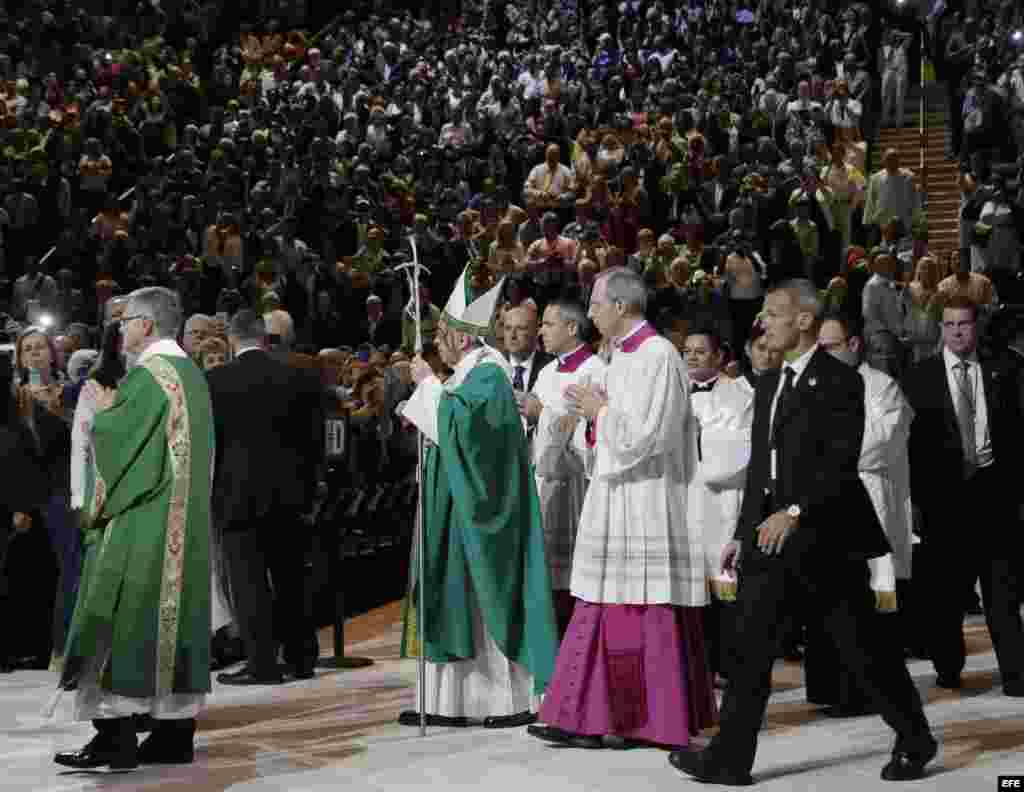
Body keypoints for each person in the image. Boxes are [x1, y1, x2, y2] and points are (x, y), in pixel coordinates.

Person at [668, 279, 936, 785]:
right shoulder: (768, 382)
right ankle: (728, 760)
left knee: (865, 653)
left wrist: (792, 512)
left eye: (773, 312)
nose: (762, 321)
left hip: (826, 541)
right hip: (771, 544)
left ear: (805, 322)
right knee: (749, 649)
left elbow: (837, 464)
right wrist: (742, 533)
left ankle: (915, 737)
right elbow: (759, 471)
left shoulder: (840, 381)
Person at [529, 268, 715, 750]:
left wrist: (599, 414)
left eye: (594, 304)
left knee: (639, 605)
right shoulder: (616, 359)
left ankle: (643, 720)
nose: (589, 313)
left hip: (647, 500)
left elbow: (650, 435)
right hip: (613, 497)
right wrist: (584, 422)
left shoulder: (658, 356)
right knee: (600, 600)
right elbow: (606, 440)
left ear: (621, 306)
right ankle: (590, 715)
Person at [55, 287, 214, 770]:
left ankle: (115, 738)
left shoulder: (151, 376)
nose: (120, 331)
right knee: (173, 623)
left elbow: (125, 449)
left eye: (125, 322)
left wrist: (103, 418)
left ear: (146, 324)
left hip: (143, 522)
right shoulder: (190, 374)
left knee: (116, 615)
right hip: (181, 525)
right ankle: (172, 736)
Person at [398, 264, 558, 728]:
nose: (438, 340)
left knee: (480, 597)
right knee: (453, 598)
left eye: (444, 333)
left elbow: (467, 432)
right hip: (454, 509)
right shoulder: (467, 374)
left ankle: (504, 702)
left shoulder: (487, 374)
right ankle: (449, 703)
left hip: (481, 514)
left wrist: (427, 385)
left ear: (465, 338)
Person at [901, 295, 1024, 697]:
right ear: (941, 329)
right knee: (947, 597)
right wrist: (915, 502)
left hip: (997, 495)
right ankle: (949, 668)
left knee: (1002, 594)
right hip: (945, 501)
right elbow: (911, 447)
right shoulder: (919, 377)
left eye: (964, 324)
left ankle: (1015, 673)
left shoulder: (1005, 369)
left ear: (977, 326)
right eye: (950, 324)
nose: (957, 331)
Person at [206, 309, 324, 685]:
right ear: (263, 336)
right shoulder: (297, 375)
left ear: (230, 338)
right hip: (289, 498)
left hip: (236, 498)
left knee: (249, 584)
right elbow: (314, 441)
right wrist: (308, 492)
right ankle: (302, 657)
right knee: (291, 578)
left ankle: (262, 664)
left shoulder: (215, 381)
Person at [807, 313, 915, 717]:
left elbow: (876, 443)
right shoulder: (816, 384)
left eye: (829, 346)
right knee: (830, 605)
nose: (821, 354)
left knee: (868, 608)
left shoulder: (882, 387)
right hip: (825, 505)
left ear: (853, 345)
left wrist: (825, 449)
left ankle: (869, 692)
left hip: (869, 505)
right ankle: (830, 688)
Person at [518, 299, 605, 637]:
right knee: (547, 581)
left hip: (577, 490)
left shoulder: (595, 371)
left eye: (548, 324)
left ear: (572, 328)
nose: (541, 331)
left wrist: (542, 415)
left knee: (574, 582)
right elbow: (536, 422)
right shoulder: (548, 371)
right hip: (545, 484)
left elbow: (590, 433)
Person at [684, 326, 754, 686]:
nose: (692, 357)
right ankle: (694, 668)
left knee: (725, 589)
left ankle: (727, 666)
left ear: (718, 356)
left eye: (700, 351)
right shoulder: (672, 393)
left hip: (719, 502)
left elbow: (742, 451)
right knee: (688, 593)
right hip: (681, 504)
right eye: (687, 351)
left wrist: (697, 435)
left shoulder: (740, 395)